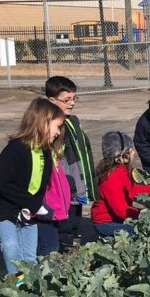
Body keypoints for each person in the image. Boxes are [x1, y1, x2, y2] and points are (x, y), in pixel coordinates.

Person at [0, 98, 65, 275]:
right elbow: (4, 185)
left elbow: (40, 185)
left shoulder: (45, 151)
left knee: (29, 255)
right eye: (57, 126)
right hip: (6, 210)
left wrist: (33, 207)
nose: (58, 132)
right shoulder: (14, 150)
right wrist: (35, 205)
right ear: (43, 122)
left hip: (29, 211)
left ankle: (28, 290)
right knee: (11, 247)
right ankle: (16, 286)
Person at [45, 76, 97, 251]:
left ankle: (70, 245)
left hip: (76, 182)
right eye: (67, 100)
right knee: (63, 225)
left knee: (75, 222)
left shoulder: (73, 122)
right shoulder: (50, 126)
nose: (72, 103)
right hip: (63, 186)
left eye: (74, 98)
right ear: (52, 101)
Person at [90, 131, 150, 237]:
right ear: (122, 154)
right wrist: (143, 214)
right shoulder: (112, 178)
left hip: (116, 218)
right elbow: (121, 210)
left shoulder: (121, 170)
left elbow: (131, 190)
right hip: (106, 223)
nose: (134, 153)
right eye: (130, 150)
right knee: (141, 233)